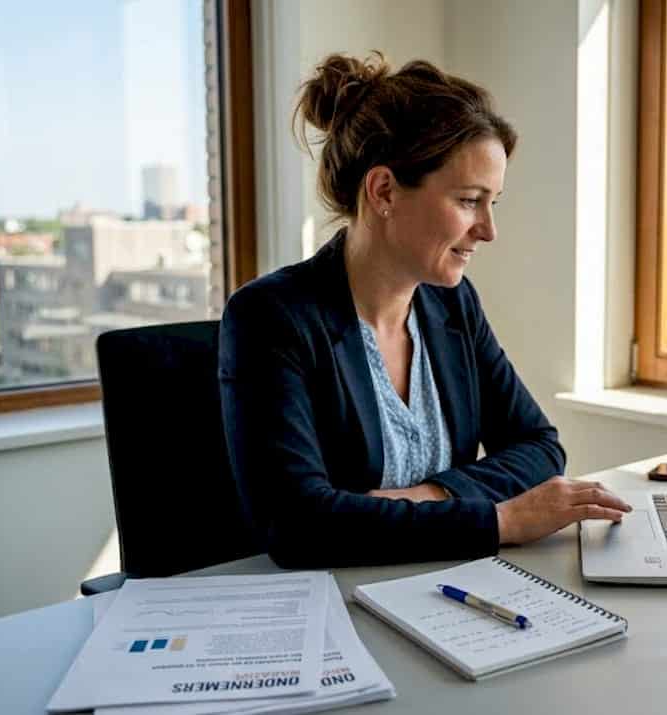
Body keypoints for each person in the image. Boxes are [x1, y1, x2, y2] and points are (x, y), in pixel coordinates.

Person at [219, 52, 631, 568]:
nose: (488, 230)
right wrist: (502, 520)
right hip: (325, 608)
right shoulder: (271, 317)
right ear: (385, 190)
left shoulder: (452, 303)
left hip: (438, 586)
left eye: (492, 203)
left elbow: (539, 447)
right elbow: (298, 525)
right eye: (468, 201)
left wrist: (424, 498)